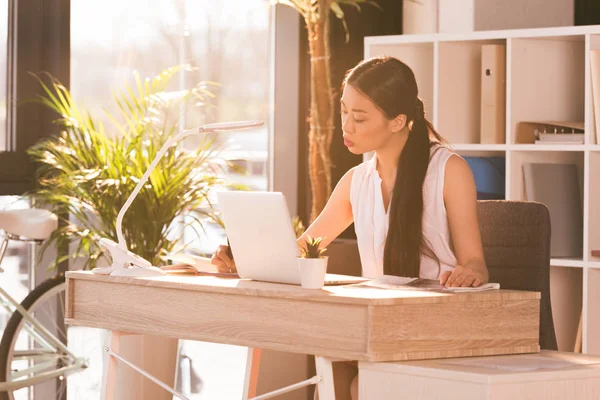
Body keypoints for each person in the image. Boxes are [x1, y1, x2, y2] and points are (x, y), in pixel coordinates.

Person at [211, 55, 489, 399]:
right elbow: (301, 250)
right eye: (344, 112)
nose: (346, 126)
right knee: (329, 370)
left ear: (398, 121)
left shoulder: (449, 171)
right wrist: (243, 260)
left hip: (439, 329)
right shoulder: (357, 181)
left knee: (354, 382)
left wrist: (470, 272)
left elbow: (475, 262)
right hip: (379, 327)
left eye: (359, 117)